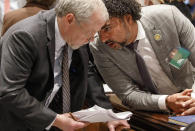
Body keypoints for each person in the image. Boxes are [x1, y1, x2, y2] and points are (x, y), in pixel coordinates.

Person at [0, 0, 130, 130]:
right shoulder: (26, 36)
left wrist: (107, 114)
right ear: (70, 19)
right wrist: (54, 119)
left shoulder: (76, 33)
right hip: (16, 122)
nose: (91, 39)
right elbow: (10, 91)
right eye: (90, 32)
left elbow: (87, 72)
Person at [90, 0, 195, 115]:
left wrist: (193, 99)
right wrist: (165, 102)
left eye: (107, 28)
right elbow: (128, 94)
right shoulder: (99, 47)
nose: (103, 39)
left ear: (128, 19)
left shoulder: (168, 16)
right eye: (97, 31)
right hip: (154, 110)